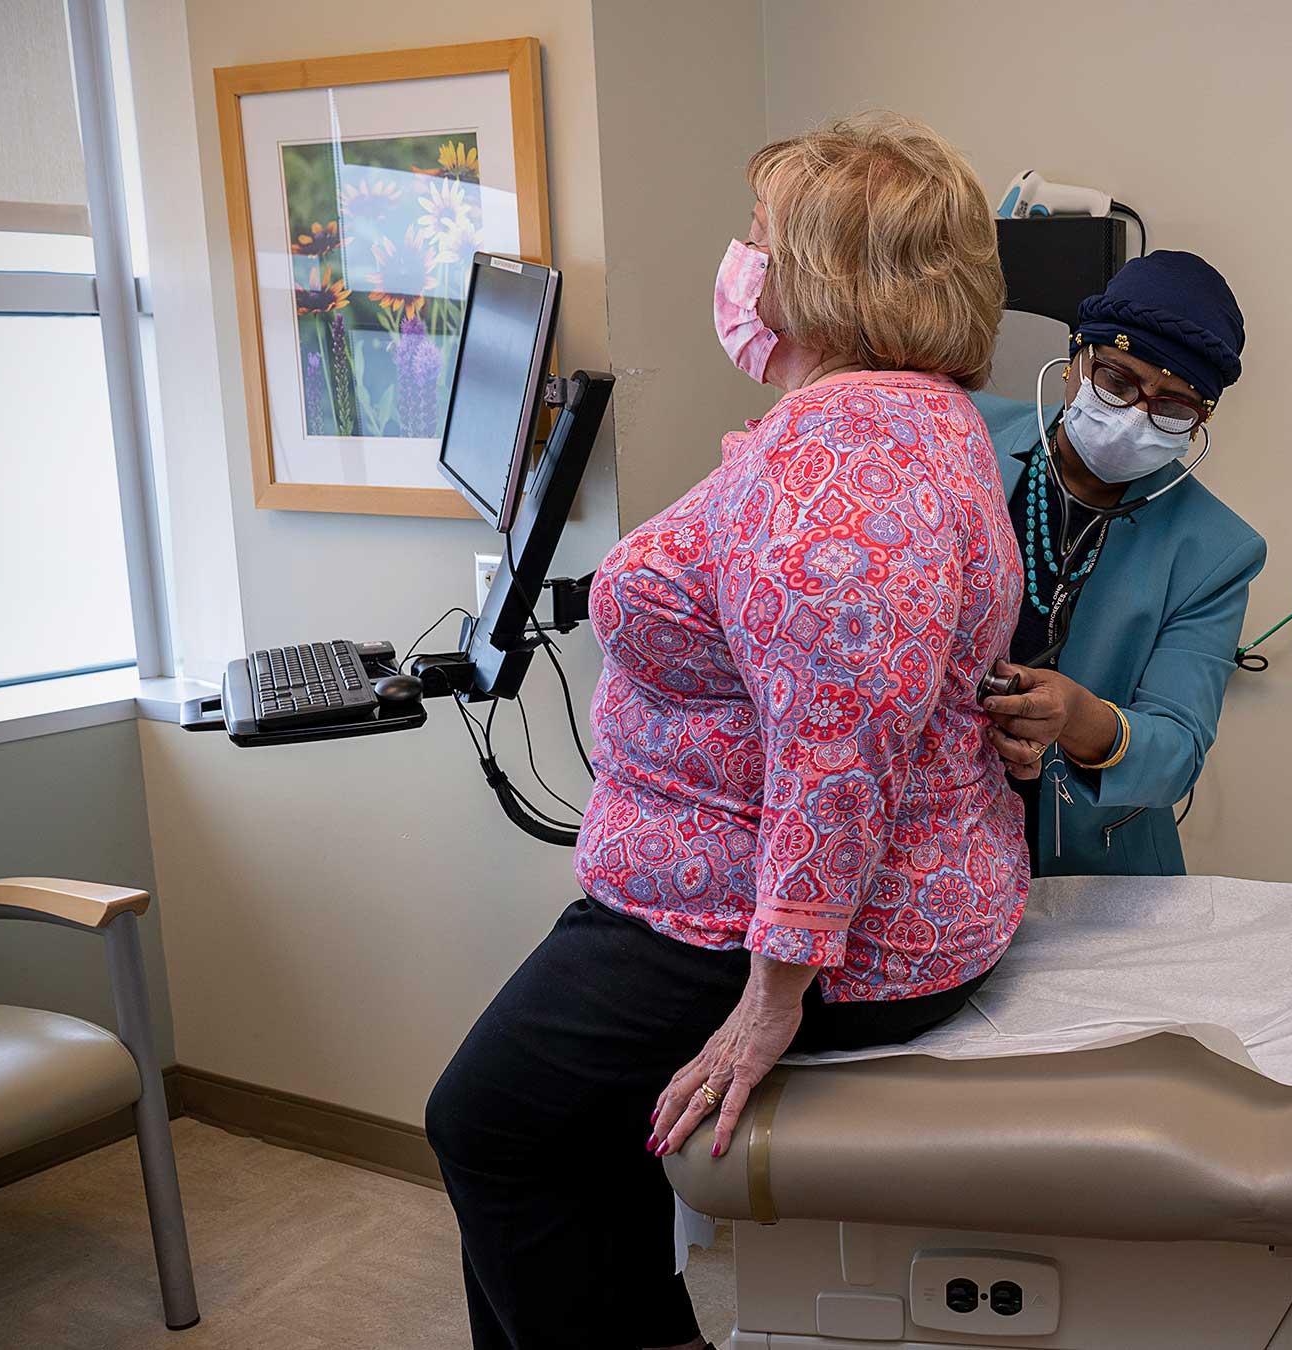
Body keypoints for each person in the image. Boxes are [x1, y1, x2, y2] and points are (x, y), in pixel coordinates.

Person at [425, 112, 1025, 1350]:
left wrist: (771, 1001)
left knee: (488, 1123)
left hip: (775, 927)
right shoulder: (913, 423)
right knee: (570, 1141)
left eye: (756, 240)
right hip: (770, 890)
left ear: (821, 275)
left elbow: (839, 752)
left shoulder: (843, 474)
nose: (737, 264)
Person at [973, 251, 1266, 876]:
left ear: (1200, 420)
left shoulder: (1216, 550)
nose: (1136, 415)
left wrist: (1080, 720)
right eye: (1117, 380)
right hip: (937, 832)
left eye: (1173, 407)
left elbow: (1178, 748)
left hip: (1091, 860)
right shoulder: (964, 437)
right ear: (1076, 361)